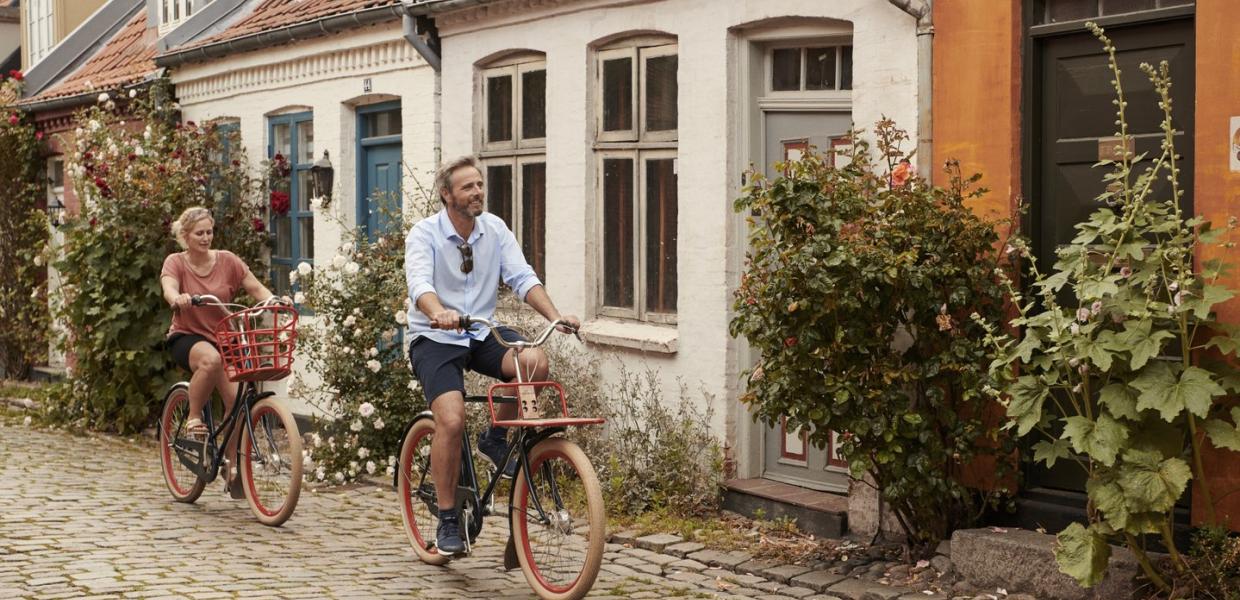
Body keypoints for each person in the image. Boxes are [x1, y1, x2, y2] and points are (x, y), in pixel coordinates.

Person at [405, 155, 580, 556]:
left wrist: (556, 317)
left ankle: (495, 437)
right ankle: (448, 517)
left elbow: (521, 277)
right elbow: (419, 284)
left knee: (533, 361)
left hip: (481, 330)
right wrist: (438, 312)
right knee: (450, 419)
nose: (477, 192)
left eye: (480, 185)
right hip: (435, 337)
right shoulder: (425, 234)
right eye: (468, 187)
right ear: (447, 195)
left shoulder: (495, 230)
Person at [160, 206, 281, 498]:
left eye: (209, 232)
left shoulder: (228, 261)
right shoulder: (176, 262)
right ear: (185, 236)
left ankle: (231, 464)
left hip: (226, 338)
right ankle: (193, 416)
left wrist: (274, 300)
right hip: (187, 337)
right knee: (210, 360)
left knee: (237, 402)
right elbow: (169, 287)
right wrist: (179, 299)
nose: (205, 238)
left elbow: (255, 288)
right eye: (198, 233)